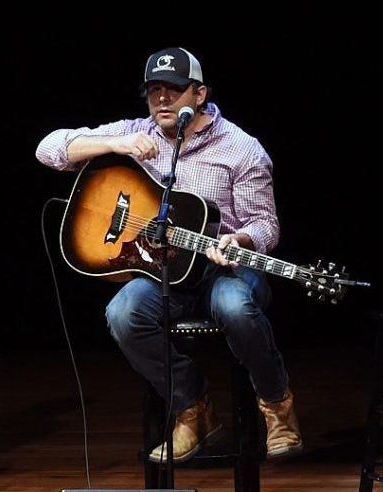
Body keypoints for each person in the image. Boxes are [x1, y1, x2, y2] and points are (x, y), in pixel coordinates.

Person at [35, 47, 301, 463]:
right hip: (162, 273)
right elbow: (48, 149)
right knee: (123, 314)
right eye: (154, 90)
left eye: (174, 90)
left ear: (199, 94)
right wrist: (117, 143)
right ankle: (193, 409)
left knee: (233, 306)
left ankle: (276, 405)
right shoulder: (135, 131)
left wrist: (241, 241)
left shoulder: (242, 149)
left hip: (223, 269)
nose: (161, 100)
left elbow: (266, 226)